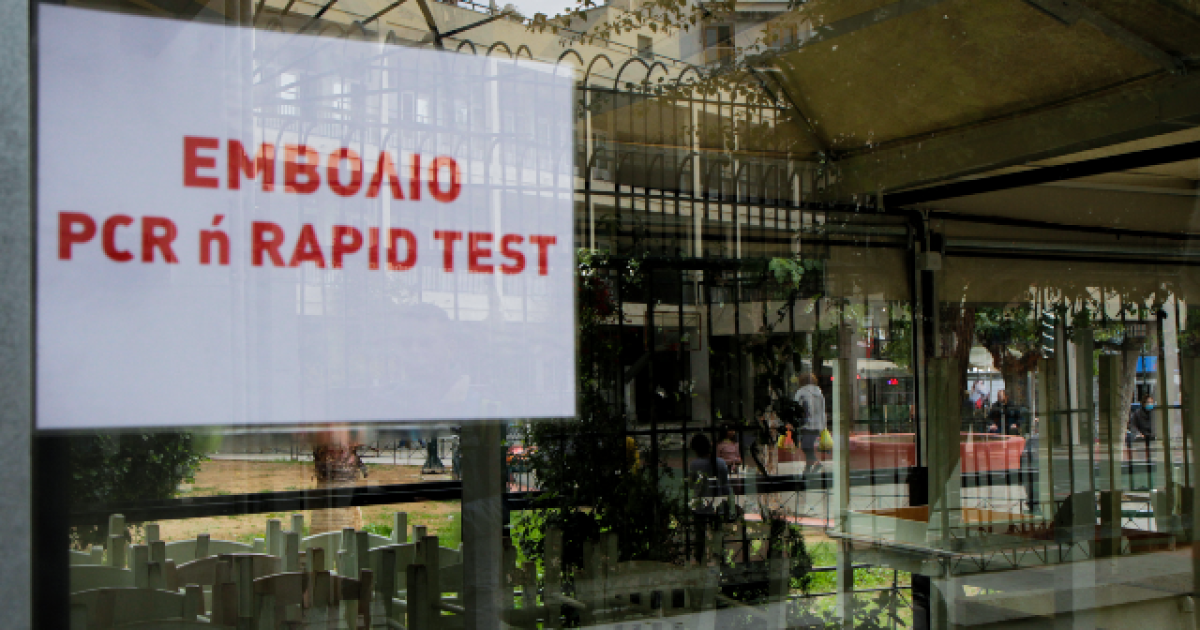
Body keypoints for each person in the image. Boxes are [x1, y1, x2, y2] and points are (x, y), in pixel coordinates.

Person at [794, 373, 826, 475]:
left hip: (806, 424)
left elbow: (796, 407)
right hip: (817, 424)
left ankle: (816, 463)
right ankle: (808, 468)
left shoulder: (801, 392)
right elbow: (822, 410)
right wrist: (823, 425)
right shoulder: (819, 393)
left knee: (806, 446)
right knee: (809, 446)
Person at [689, 434, 731, 502]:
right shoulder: (721, 462)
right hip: (718, 501)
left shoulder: (694, 464)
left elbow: (691, 485)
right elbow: (725, 484)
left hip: (700, 502)